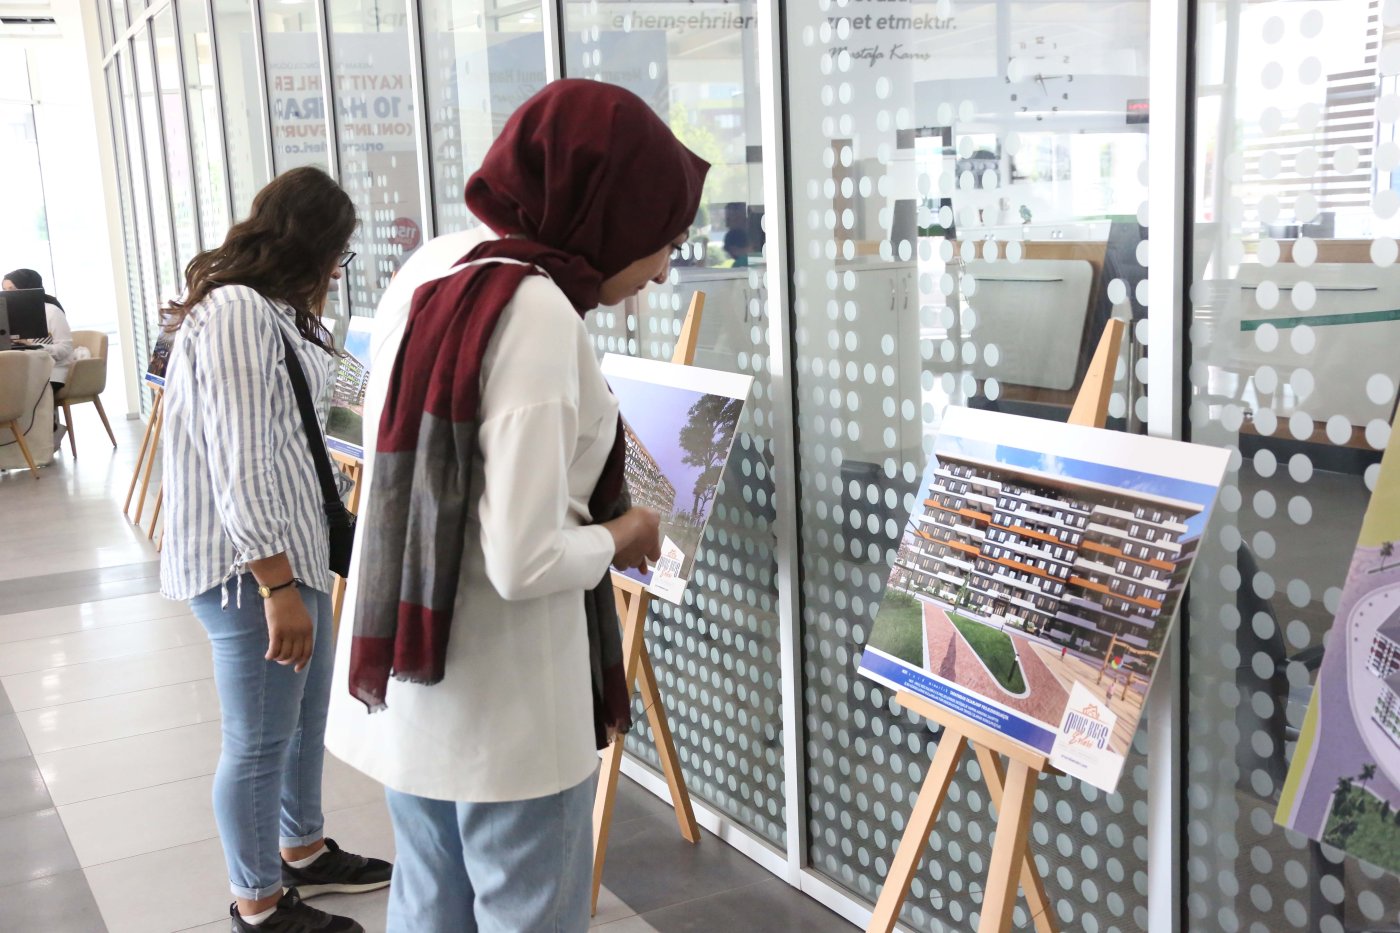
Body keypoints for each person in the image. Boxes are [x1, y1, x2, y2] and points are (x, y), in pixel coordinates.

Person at [323, 80, 709, 933]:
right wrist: (624, 532)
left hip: (413, 679)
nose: (661, 270)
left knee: (429, 901)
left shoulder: (435, 266)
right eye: (663, 239)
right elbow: (524, 557)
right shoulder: (535, 311)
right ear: (610, 211)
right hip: (511, 706)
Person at [158, 166, 391, 933]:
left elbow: (346, 398)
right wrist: (275, 586)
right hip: (250, 570)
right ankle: (258, 903)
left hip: (294, 551)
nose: (338, 271)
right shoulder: (235, 312)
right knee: (259, 739)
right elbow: (241, 457)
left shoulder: (279, 314)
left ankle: (303, 848)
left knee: (299, 720)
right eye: (339, 253)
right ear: (313, 242)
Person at [3, 269, 73, 440]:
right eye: (4, 290)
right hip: (23, 370)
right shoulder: (7, 315)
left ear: (28, 288)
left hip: (53, 371)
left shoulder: (51, 312)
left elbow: (65, 349)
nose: (7, 295)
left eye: (12, 289)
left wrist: (34, 345)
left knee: (25, 395)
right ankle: (14, 445)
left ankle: (42, 439)